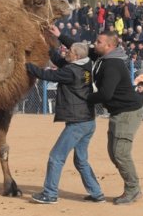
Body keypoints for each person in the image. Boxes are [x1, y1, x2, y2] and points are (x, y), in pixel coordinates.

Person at [25, 42, 105, 205]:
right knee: (81, 160)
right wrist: (45, 45)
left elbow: (47, 75)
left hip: (77, 123)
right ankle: (97, 193)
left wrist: (26, 65)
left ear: (76, 56)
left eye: (69, 51)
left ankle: (50, 193)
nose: (66, 52)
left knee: (56, 156)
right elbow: (59, 60)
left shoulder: (70, 71)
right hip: (88, 120)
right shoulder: (86, 64)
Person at [88, 31, 143, 205]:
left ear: (109, 46)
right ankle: (133, 188)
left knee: (120, 153)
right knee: (114, 154)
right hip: (119, 112)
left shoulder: (112, 64)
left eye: (98, 42)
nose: (94, 44)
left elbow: (106, 94)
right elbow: (78, 49)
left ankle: (133, 189)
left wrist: (84, 97)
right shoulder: (104, 59)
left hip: (127, 113)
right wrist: (60, 35)